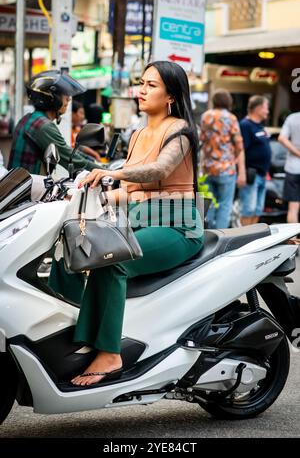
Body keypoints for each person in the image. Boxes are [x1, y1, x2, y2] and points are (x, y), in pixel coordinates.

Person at [69, 60, 204, 386]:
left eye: (151, 85)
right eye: (141, 83)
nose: (141, 90)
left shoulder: (180, 132)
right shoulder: (140, 133)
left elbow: (158, 171)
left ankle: (110, 354)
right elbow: (129, 192)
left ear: (170, 95)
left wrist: (112, 172)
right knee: (87, 252)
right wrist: (84, 195)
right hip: (140, 221)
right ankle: (87, 338)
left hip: (177, 225)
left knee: (116, 262)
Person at [8, 70, 104, 175]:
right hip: (28, 187)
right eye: (64, 94)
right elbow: (71, 160)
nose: (69, 99)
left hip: (18, 185)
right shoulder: (43, 126)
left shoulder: (28, 118)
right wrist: (108, 173)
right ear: (51, 98)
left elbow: (67, 151)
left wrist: (92, 160)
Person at [200, 89, 244, 229]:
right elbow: (239, 144)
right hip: (226, 169)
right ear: (228, 102)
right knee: (225, 206)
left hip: (208, 168)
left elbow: (202, 139)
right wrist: (238, 164)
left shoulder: (205, 116)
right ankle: (221, 239)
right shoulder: (231, 118)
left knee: (210, 204)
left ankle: (208, 236)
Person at [238, 95, 271, 226]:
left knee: (258, 210)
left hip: (263, 174)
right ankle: (245, 240)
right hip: (250, 174)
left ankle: (253, 238)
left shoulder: (261, 126)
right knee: (248, 209)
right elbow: (240, 150)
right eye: (266, 108)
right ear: (258, 108)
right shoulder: (245, 125)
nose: (268, 111)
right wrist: (241, 173)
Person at [278, 111, 300, 223]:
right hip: (294, 169)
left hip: (294, 167)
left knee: (293, 208)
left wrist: (297, 152)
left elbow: (282, 138)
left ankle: (295, 240)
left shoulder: (293, 118)